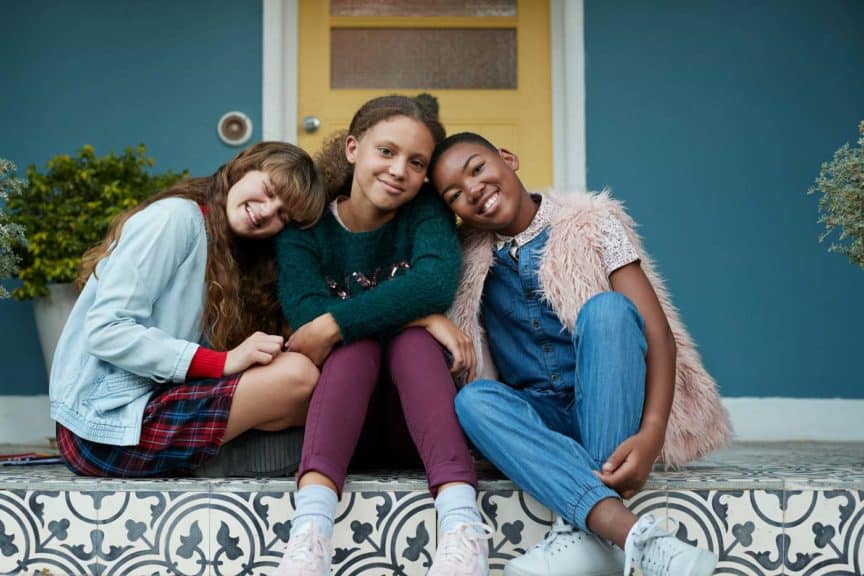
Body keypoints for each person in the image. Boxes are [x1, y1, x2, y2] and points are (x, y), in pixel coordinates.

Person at [429, 132, 731, 576]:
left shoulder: (593, 221)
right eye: (455, 193)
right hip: (541, 422)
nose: (472, 189)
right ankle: (628, 536)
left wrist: (651, 433)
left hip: (610, 405)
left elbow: (658, 334)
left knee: (608, 309)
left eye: (477, 169)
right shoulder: (466, 258)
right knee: (473, 401)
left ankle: (581, 531)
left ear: (508, 158)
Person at [274, 96, 490, 576]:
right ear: (353, 148)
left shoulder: (425, 213)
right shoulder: (305, 230)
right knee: (357, 345)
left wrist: (344, 321)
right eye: (386, 152)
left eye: (416, 163)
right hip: (336, 433)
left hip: (419, 431)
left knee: (407, 344)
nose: (399, 171)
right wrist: (419, 315)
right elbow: (311, 324)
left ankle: (462, 529)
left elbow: (433, 281)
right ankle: (309, 538)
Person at [51, 141, 326, 478]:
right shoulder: (175, 219)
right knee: (297, 378)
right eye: (269, 190)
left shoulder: (238, 252)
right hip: (106, 425)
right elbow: (107, 330)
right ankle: (220, 463)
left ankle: (213, 461)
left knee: (319, 395)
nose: (269, 211)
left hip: (160, 404)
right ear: (242, 169)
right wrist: (223, 362)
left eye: (284, 214)